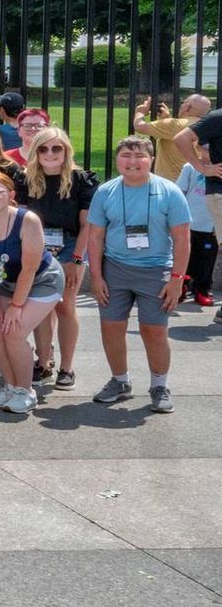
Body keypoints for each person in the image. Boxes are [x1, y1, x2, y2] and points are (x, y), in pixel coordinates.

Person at [82, 136, 191, 414]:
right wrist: (96, 276)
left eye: (139, 155)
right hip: (115, 268)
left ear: (151, 159)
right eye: (126, 156)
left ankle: (159, 385)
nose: (132, 162)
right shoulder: (106, 192)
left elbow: (181, 238)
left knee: (153, 330)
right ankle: (120, 381)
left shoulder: (169, 191)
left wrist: (177, 279)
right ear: (118, 160)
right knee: (111, 327)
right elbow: (95, 237)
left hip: (156, 270)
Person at [0, 170, 64, 415]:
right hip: (5, 283)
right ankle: (10, 387)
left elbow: (30, 268)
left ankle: (26, 391)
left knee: (14, 331)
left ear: (11, 194)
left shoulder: (27, 220)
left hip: (42, 280)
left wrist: (16, 307)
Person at [21, 127, 96, 388]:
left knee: (65, 306)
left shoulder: (81, 180)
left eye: (56, 148)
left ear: (66, 150)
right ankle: (43, 363)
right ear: (35, 152)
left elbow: (87, 225)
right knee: (41, 305)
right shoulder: (25, 179)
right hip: (36, 245)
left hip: (70, 244)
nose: (50, 154)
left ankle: (67, 367)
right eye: (43, 148)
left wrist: (76, 260)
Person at [137, 94, 212, 179]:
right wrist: (164, 119)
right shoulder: (208, 126)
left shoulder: (175, 125)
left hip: (170, 183)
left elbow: (139, 126)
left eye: (183, 102)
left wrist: (140, 112)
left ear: (187, 106)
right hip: (195, 183)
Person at [177, 159, 216, 308]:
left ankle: (202, 289)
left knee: (206, 260)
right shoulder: (190, 167)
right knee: (185, 257)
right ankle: (181, 285)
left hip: (211, 225)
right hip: (190, 223)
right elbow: (180, 192)